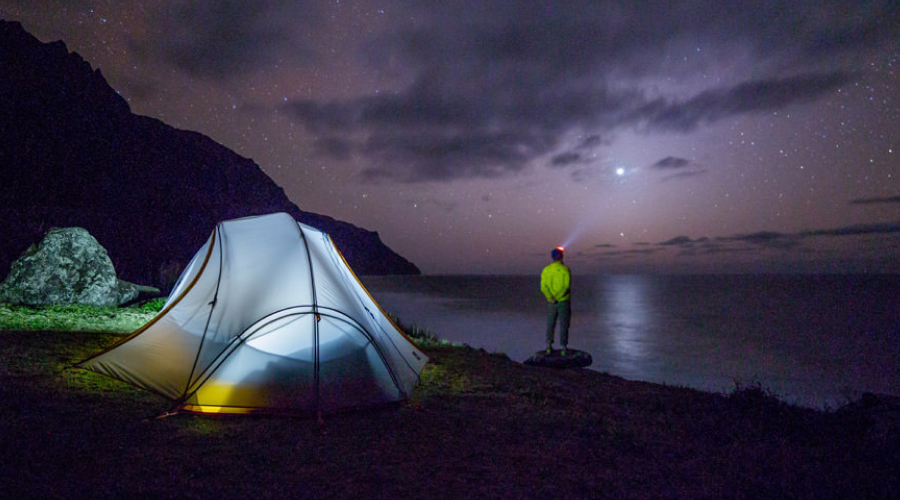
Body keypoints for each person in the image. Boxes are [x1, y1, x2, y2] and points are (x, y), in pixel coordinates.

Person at [540, 246, 571, 355]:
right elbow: (566, 286)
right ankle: (563, 348)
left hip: (551, 302)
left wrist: (551, 297)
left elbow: (543, 287)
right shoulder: (565, 269)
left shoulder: (546, 270)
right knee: (564, 324)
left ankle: (548, 346)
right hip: (563, 301)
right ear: (561, 257)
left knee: (550, 323)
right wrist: (558, 297)